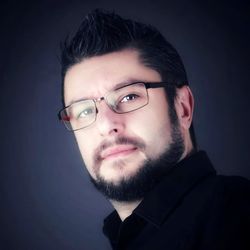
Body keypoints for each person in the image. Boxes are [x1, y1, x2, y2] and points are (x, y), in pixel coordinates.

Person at [58, 9, 250, 250]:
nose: (106, 125)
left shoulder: (237, 215)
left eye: (129, 96)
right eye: (84, 111)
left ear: (183, 108)